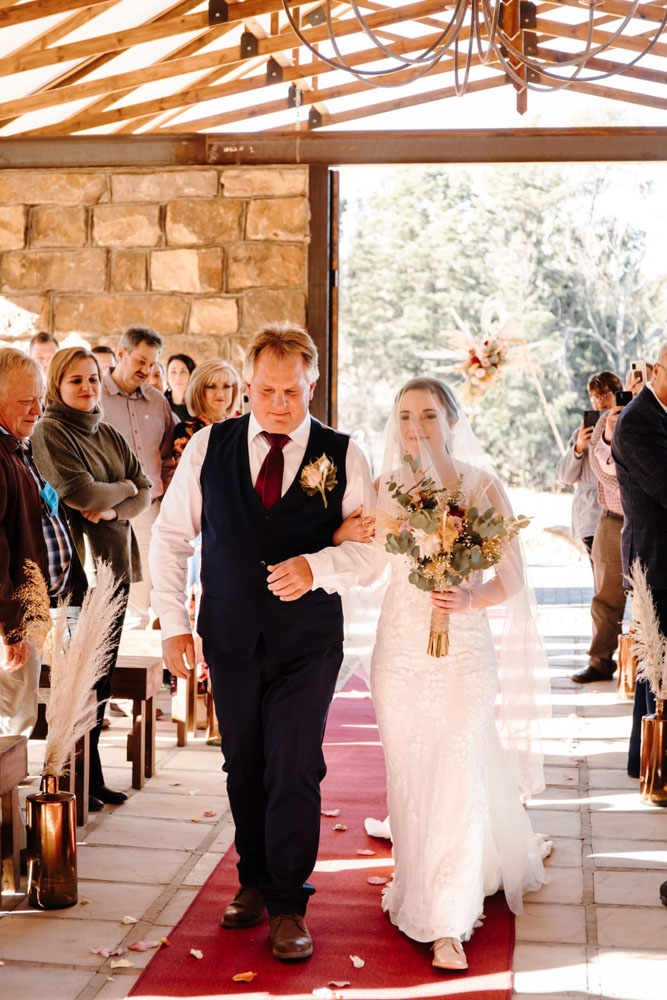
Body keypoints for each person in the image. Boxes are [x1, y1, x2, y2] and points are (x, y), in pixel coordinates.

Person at [150, 324, 377, 961]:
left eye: (292, 391)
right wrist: (172, 623)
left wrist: (316, 567)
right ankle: (252, 878)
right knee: (244, 763)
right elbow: (171, 538)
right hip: (229, 634)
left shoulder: (344, 454)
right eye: (267, 390)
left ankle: (287, 904)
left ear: (313, 384)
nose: (278, 403)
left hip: (308, 641)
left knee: (294, 763)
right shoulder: (208, 447)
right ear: (247, 384)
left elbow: (370, 552)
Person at [360, 377, 548, 971]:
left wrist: (468, 599)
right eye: (405, 415)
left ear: (451, 419)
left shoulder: (481, 486)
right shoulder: (387, 488)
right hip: (400, 650)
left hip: (462, 648)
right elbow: (366, 565)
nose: (415, 427)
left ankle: (447, 920)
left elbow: (511, 578)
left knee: (458, 773)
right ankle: (417, 880)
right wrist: (343, 534)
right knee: (412, 773)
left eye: (428, 415)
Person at [32, 347, 152, 809]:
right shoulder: (50, 431)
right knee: (78, 681)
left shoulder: (108, 432)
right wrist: (124, 489)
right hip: (78, 576)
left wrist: (117, 506)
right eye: (76, 380)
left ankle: (92, 776)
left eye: (93, 379)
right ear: (57, 385)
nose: (87, 388)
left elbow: (146, 490)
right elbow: (82, 493)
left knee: (101, 679)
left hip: (114, 569)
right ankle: (71, 777)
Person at [0, 348, 87, 737]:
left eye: (40, 398)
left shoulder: (17, 445)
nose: (38, 410)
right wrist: (12, 626)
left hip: (29, 608)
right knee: (12, 724)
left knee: (20, 718)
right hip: (11, 616)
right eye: (26, 401)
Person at [611, 350, 667, 907]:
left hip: (659, 557)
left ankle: (646, 763)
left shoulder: (655, 414)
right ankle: (655, 767)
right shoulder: (639, 422)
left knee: (658, 666)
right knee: (658, 663)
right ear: (659, 371)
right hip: (657, 559)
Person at [101, 326, 175, 628]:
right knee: (105, 590)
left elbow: (169, 453)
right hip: (107, 510)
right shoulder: (94, 395)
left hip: (148, 510)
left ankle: (136, 651)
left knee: (141, 595)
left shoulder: (158, 401)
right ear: (121, 353)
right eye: (140, 361)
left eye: (152, 364)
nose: (146, 370)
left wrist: (165, 495)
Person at [573, 371, 626, 683]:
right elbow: (599, 466)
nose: (599, 401)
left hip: (651, 517)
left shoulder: (649, 417)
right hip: (612, 518)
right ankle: (600, 661)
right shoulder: (603, 422)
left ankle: (648, 667)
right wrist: (607, 432)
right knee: (605, 597)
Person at [557, 371, 622, 561]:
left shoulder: (626, 427)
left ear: (617, 394)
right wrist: (578, 447)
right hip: (589, 515)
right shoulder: (581, 433)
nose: (599, 401)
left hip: (618, 509)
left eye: (604, 395)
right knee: (600, 571)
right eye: (594, 397)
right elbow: (565, 477)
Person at [172, 359, 241, 463]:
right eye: (212, 387)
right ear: (198, 390)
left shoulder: (240, 427)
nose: (220, 393)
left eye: (226, 386)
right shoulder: (187, 430)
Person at [165, 353, 196, 422]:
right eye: (173, 372)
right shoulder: (161, 406)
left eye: (183, 372)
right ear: (167, 377)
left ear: (192, 375)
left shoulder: (200, 408)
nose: (178, 377)